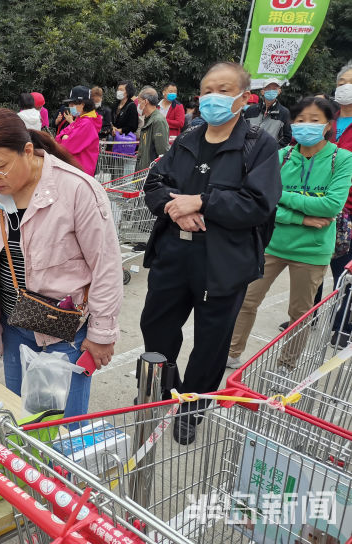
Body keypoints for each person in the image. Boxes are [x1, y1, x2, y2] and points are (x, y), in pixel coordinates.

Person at [0, 108, 123, 422]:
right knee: (21, 420)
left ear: (28, 151)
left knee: (60, 428)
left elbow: (106, 266)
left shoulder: (76, 190)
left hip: (65, 331)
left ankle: (56, 473)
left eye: (0, 166)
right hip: (13, 325)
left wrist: (102, 334)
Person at [140, 62, 282, 445]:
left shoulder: (259, 145)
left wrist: (202, 202)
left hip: (223, 263)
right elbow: (155, 182)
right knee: (156, 327)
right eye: (207, 90)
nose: (213, 97)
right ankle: (160, 392)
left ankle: (191, 408)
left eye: (224, 89)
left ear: (243, 98)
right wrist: (176, 209)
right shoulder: (188, 136)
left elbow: (259, 203)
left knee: (211, 342)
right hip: (174, 253)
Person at [227, 97, 352, 370]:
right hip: (271, 244)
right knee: (246, 301)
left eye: (314, 120)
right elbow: (263, 204)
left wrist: (282, 197)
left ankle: (286, 363)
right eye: (300, 120)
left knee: (300, 313)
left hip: (312, 251)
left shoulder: (341, 159)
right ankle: (232, 352)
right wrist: (304, 216)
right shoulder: (281, 156)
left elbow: (332, 205)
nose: (305, 125)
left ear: (329, 125)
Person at [328, 62, 352, 344]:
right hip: (316, 204)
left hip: (347, 209)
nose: (346, 87)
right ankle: (306, 318)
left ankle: (342, 324)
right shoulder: (326, 120)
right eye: (343, 81)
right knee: (311, 267)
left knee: (343, 271)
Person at [55, 86, 103, 177]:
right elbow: (58, 137)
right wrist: (63, 137)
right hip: (75, 171)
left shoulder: (87, 123)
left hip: (80, 174)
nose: (70, 107)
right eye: (70, 104)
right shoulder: (80, 120)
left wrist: (64, 138)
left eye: (73, 104)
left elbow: (67, 147)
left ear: (83, 104)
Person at [245, 78, 292, 146]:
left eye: (274, 89)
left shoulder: (284, 112)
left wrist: (274, 150)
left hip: (270, 154)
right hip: (249, 152)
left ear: (279, 91)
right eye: (268, 88)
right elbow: (243, 130)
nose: (271, 91)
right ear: (262, 92)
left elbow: (287, 138)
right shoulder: (251, 110)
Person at [137, 86, 170, 170]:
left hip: (151, 174)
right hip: (142, 173)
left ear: (145, 101)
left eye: (139, 101)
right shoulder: (148, 119)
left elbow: (162, 152)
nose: (137, 105)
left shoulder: (158, 121)